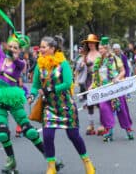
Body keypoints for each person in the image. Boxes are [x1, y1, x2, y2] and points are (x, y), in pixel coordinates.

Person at [0, 8, 54, 173]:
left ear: (20, 50)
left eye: (15, 47)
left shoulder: (20, 63)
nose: (11, 49)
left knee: (29, 131)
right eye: (10, 46)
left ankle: (50, 159)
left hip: (12, 95)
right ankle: (11, 161)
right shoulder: (1, 57)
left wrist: (15, 54)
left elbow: (18, 63)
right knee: (2, 132)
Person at [28, 36, 95, 174]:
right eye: (40, 47)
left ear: (52, 49)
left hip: (65, 105)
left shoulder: (63, 63)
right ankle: (51, 166)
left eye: (44, 47)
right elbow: (35, 85)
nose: (41, 49)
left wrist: (51, 89)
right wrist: (31, 95)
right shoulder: (39, 65)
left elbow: (68, 83)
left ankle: (87, 163)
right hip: (49, 106)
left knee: (74, 136)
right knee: (47, 136)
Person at [91, 37, 133, 141]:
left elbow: (123, 71)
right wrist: (92, 85)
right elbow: (95, 75)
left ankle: (128, 129)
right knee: (104, 108)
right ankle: (109, 130)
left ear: (107, 49)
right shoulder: (98, 61)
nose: (100, 51)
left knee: (122, 109)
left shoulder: (115, 58)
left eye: (101, 48)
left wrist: (117, 78)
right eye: (99, 49)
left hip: (115, 88)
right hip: (103, 89)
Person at [82, 34, 101, 135]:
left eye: (92, 43)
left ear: (96, 43)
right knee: (90, 102)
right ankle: (91, 124)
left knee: (100, 102)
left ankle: (102, 124)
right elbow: (81, 67)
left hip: (98, 79)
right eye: (89, 43)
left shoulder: (100, 54)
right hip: (88, 79)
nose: (90, 44)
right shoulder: (86, 54)